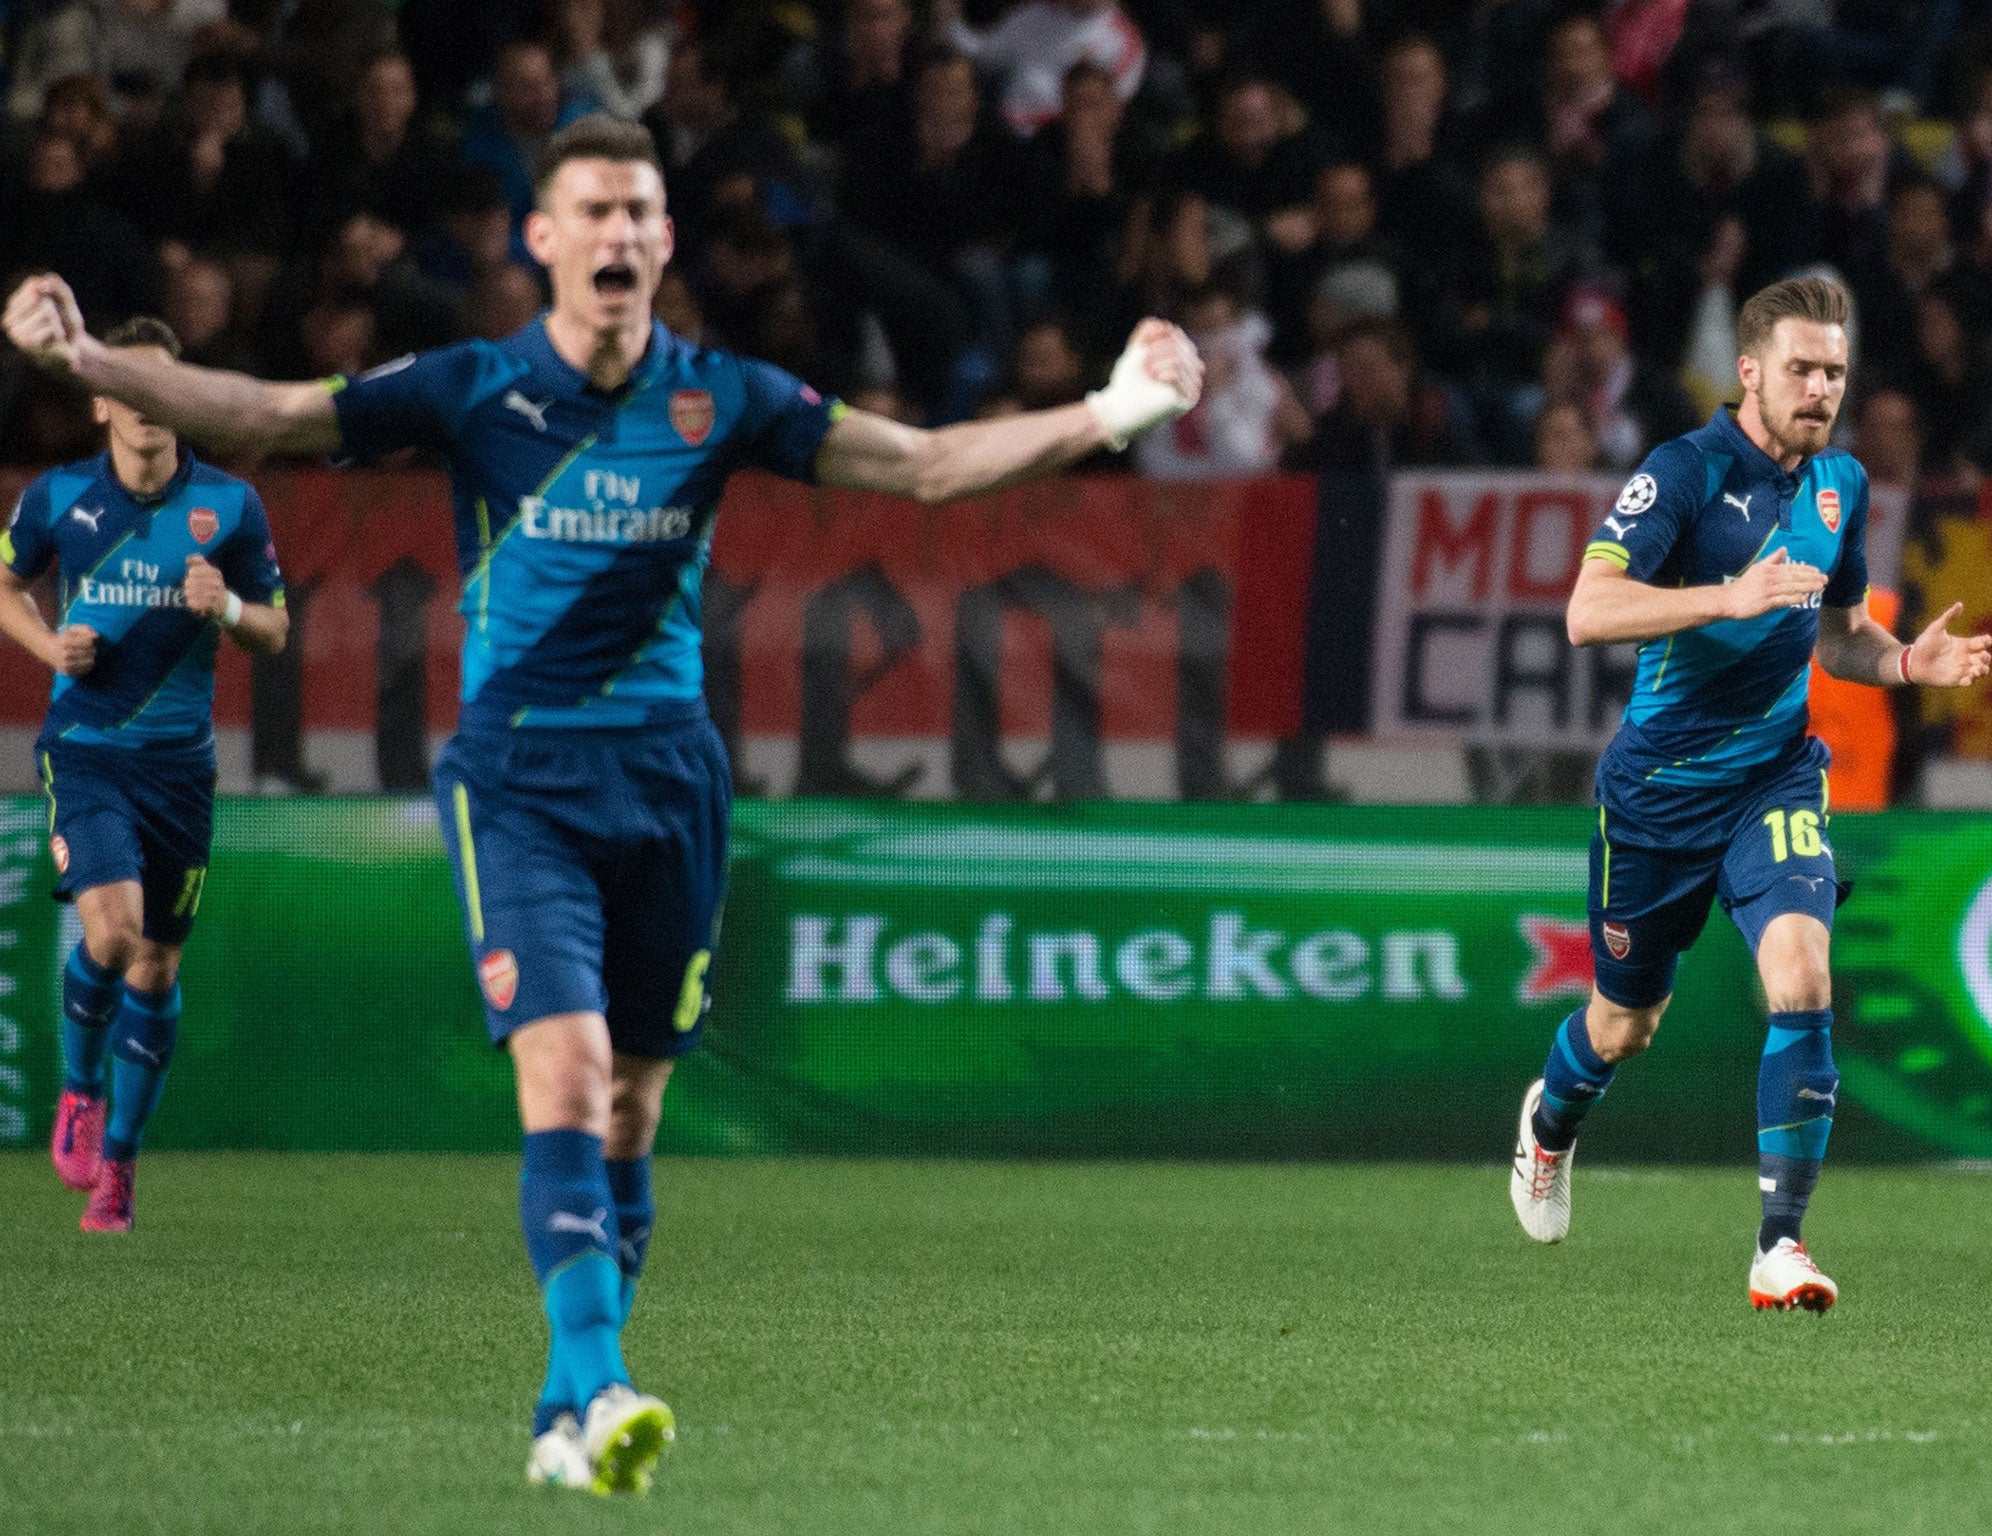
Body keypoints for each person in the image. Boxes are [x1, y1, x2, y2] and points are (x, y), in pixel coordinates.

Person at [3, 112, 1200, 1494]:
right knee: (563, 1075)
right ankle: (607, 1380)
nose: (620, 233)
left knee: (630, 1111)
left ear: (664, 240)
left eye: (643, 210)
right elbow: (273, 416)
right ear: (546, 239)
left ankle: (565, 1413)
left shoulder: (727, 397)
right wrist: (84, 362)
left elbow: (926, 467)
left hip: (671, 779)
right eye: (595, 211)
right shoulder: (473, 388)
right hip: (519, 777)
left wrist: (1117, 412)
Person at [1507, 277, 1991, 1311]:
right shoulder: (1680, 472)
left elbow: (1835, 631)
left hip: (1772, 776)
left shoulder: (1839, 487)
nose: (1819, 388)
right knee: (1623, 1025)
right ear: (1748, 371)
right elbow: (1586, 612)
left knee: (1802, 971)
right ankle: (1548, 1122)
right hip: (1656, 794)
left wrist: (1906, 665)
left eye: (1833, 372)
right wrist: (1722, 596)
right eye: (1800, 369)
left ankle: (1779, 1246)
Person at [0, 314, 288, 1233]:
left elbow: (276, 629)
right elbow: (4, 583)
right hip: (87, 755)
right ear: (100, 401)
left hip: (180, 773)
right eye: (130, 385)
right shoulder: (57, 499)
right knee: (116, 933)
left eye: (167, 386)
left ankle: (119, 1164)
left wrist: (231, 605)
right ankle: (79, 1091)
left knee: (158, 965)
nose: (150, 405)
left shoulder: (231, 508)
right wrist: (50, 643)